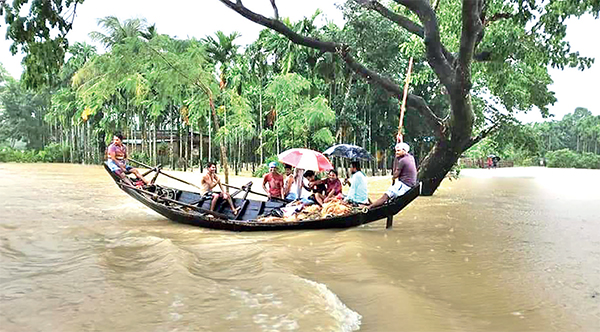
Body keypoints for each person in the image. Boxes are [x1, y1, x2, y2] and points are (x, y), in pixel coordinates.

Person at [369, 142, 417, 209]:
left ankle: (369, 207)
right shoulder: (411, 157)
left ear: (404, 151)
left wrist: (396, 159)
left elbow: (395, 175)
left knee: (385, 196)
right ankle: (373, 205)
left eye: (398, 151)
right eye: (396, 151)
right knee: (388, 196)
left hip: (404, 185)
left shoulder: (403, 161)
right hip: (409, 184)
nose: (396, 152)